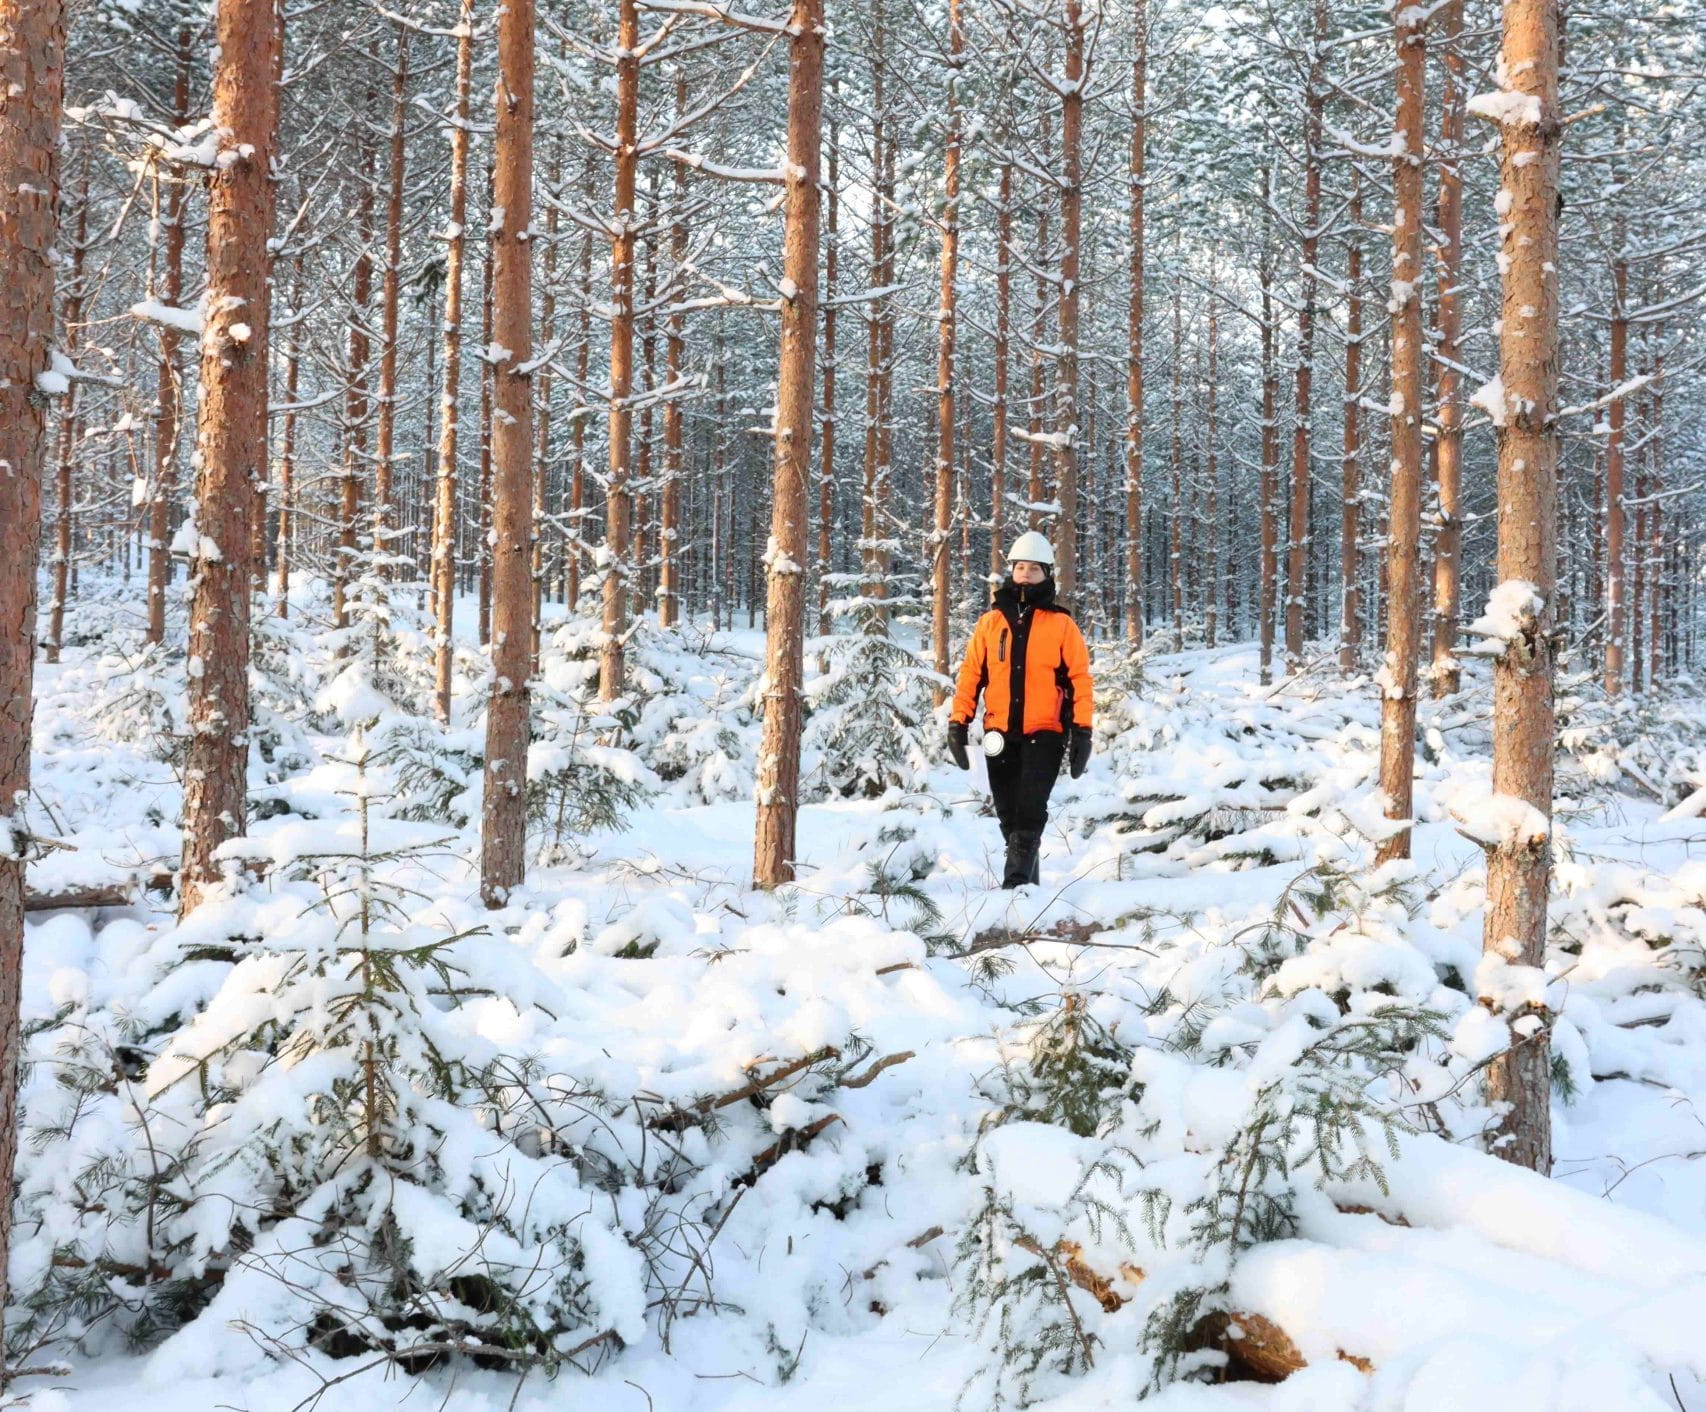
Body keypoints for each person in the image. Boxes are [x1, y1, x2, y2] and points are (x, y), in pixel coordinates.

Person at [948, 531, 1094, 889]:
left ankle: (1015, 889)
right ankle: (1031, 886)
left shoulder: (1062, 625)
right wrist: (958, 723)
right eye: (1020, 567)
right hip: (998, 734)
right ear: (1011, 572)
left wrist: (1083, 732)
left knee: (1030, 811)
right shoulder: (990, 623)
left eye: (1034, 569)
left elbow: (1080, 680)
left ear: (1047, 575)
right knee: (1009, 817)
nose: (1026, 574)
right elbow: (971, 676)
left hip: (1045, 732)